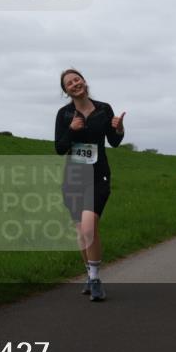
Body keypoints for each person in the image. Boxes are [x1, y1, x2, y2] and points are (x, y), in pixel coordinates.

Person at [54, 69, 125, 302]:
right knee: (81, 232)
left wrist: (119, 128)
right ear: (66, 91)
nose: (75, 84)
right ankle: (89, 274)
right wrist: (71, 130)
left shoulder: (104, 109)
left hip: (98, 175)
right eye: (69, 83)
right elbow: (59, 148)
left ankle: (95, 279)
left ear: (84, 81)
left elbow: (114, 141)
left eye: (77, 79)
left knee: (88, 228)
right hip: (74, 177)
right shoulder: (64, 114)